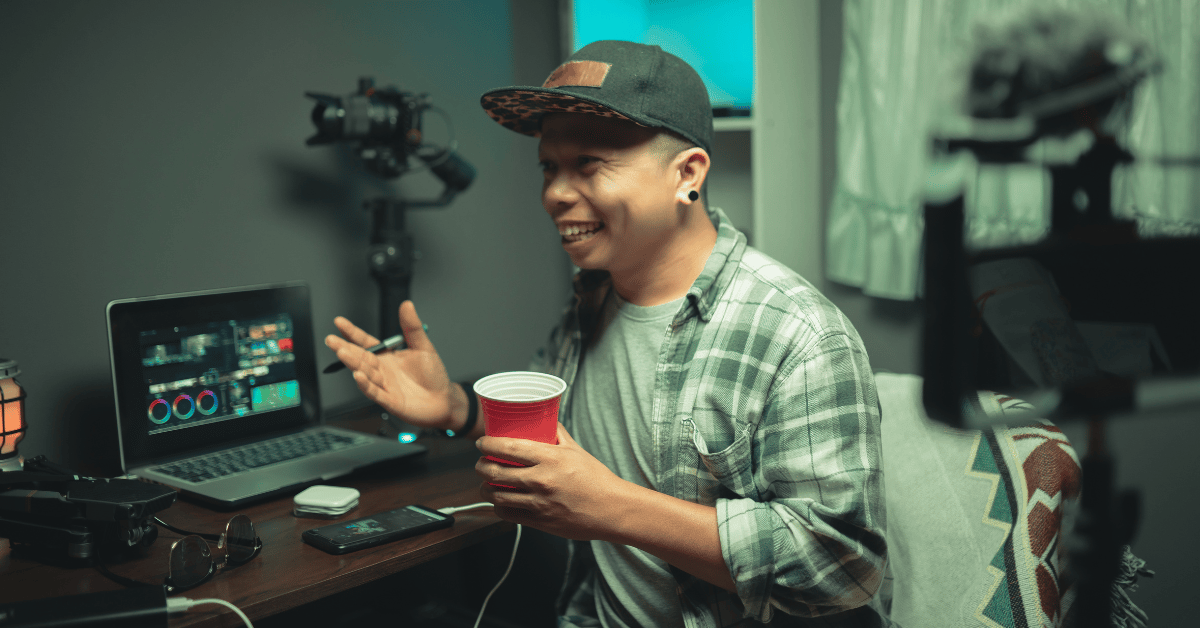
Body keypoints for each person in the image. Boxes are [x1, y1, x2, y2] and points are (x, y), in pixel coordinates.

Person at [325, 40, 886, 628]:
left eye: (589, 163)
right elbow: (557, 448)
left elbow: (841, 568)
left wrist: (610, 508)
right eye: (549, 166)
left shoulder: (799, 335)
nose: (555, 194)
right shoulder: (591, 299)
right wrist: (455, 408)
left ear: (687, 174)